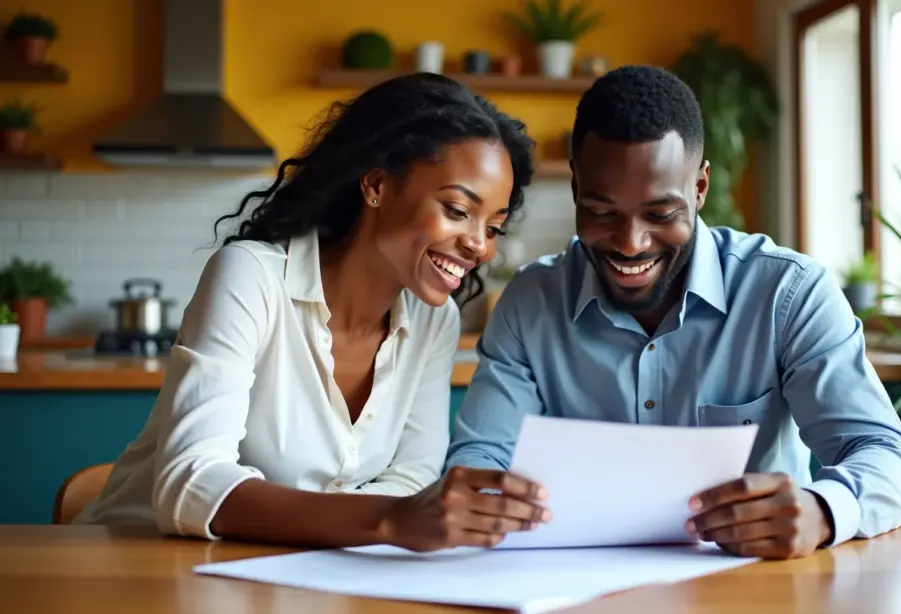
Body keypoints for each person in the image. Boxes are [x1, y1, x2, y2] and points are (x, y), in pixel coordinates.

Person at [446, 65, 901, 559]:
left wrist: (824, 511)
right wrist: (487, 504)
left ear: (699, 188)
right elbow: (479, 460)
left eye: (660, 214)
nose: (631, 244)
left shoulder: (788, 295)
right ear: (574, 188)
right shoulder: (531, 302)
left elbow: (887, 456)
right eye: (603, 211)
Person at [75, 73, 552, 552]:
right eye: (455, 209)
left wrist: (395, 517)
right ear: (377, 185)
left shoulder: (435, 321)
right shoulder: (252, 278)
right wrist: (387, 519)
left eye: (494, 228)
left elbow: (412, 478)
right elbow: (189, 482)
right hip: (131, 566)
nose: (479, 245)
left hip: (278, 576)